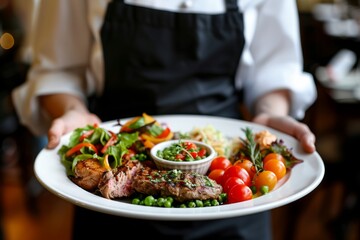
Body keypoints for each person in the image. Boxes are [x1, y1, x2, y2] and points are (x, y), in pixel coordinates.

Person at [11, 0, 317, 239]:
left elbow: (274, 71)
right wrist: (72, 111)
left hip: (232, 193)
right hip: (114, 193)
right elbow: (58, 70)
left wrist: (269, 113)